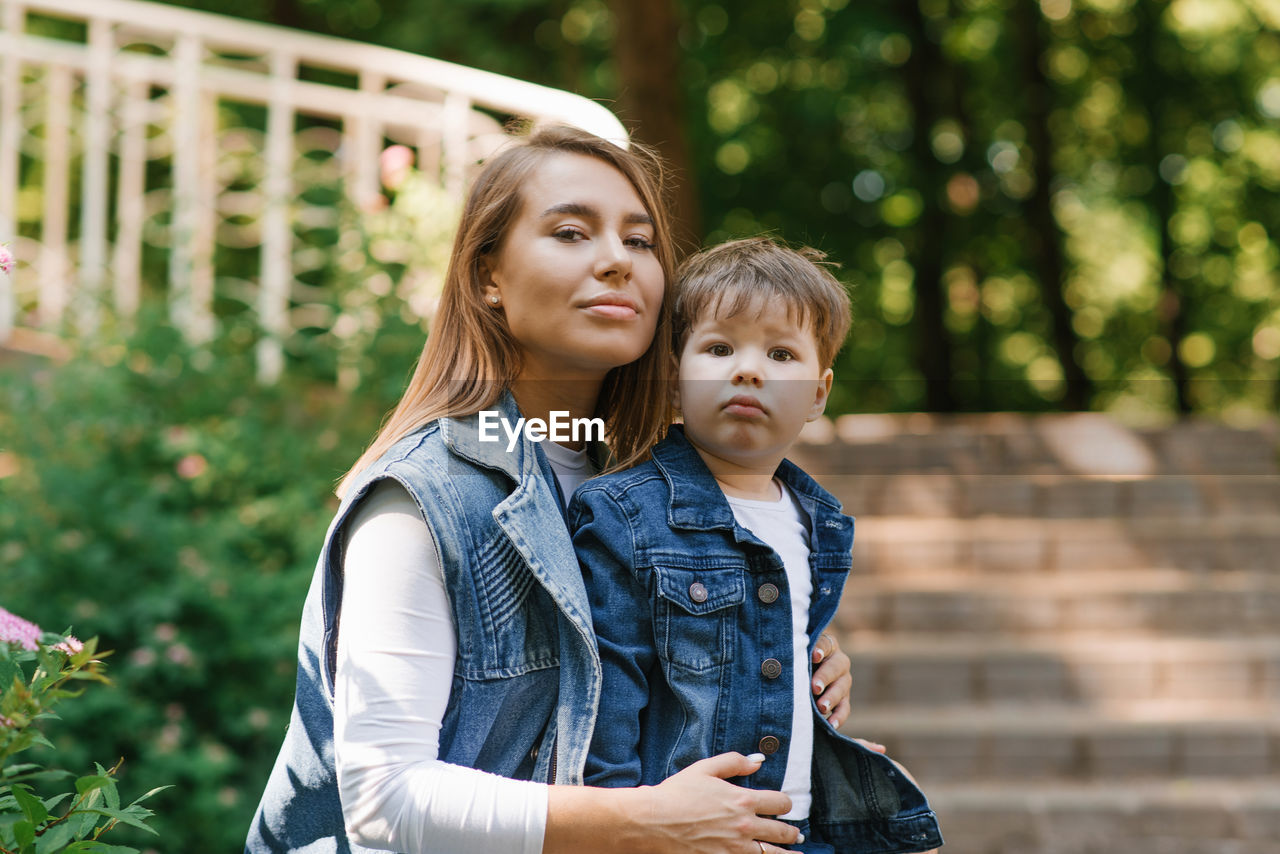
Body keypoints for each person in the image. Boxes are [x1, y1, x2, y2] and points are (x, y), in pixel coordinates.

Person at [245, 125, 859, 854]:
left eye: (639, 242)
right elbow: (384, 801)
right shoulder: (422, 498)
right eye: (571, 232)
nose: (615, 261)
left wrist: (787, 650)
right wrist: (645, 823)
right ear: (487, 278)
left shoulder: (656, 487)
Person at [569, 238, 944, 853]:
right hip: (686, 832)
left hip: (801, 826)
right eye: (718, 348)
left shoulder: (815, 521)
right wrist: (628, 830)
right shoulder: (625, 514)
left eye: (780, 353)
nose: (749, 369)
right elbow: (606, 695)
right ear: (671, 382)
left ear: (818, 395)